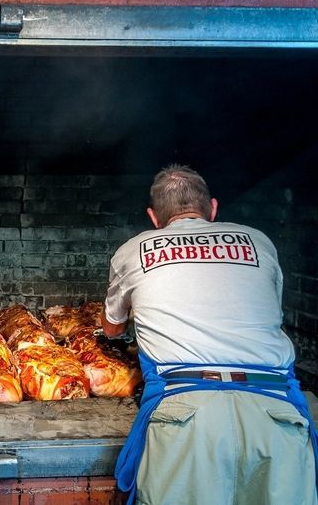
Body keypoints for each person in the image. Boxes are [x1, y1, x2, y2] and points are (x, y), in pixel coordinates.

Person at [100, 164, 317, 505]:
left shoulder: (134, 249)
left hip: (185, 415)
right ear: (212, 209)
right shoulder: (259, 242)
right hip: (276, 414)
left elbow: (111, 329)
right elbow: (269, 316)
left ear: (154, 217)